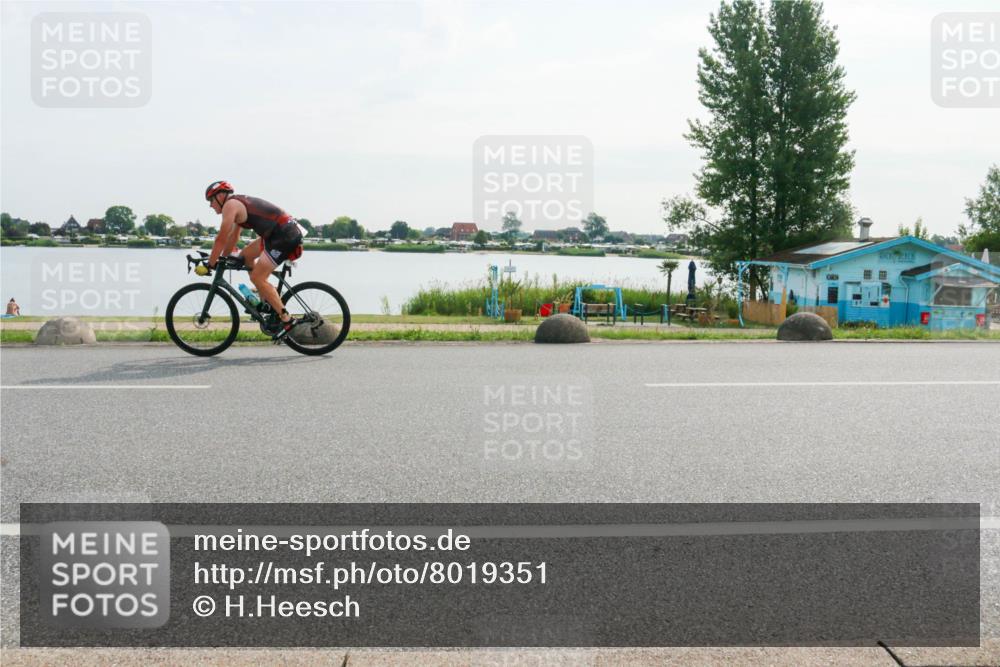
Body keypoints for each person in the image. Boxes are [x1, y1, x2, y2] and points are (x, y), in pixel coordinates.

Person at [204, 180, 304, 337]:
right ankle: (265, 302)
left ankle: (287, 319)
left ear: (221, 196)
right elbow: (233, 237)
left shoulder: (230, 205)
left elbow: (221, 237)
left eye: (211, 200)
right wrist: (223, 259)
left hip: (283, 235)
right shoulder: (237, 204)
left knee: (258, 278)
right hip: (276, 234)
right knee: (245, 256)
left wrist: (210, 264)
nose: (210, 205)